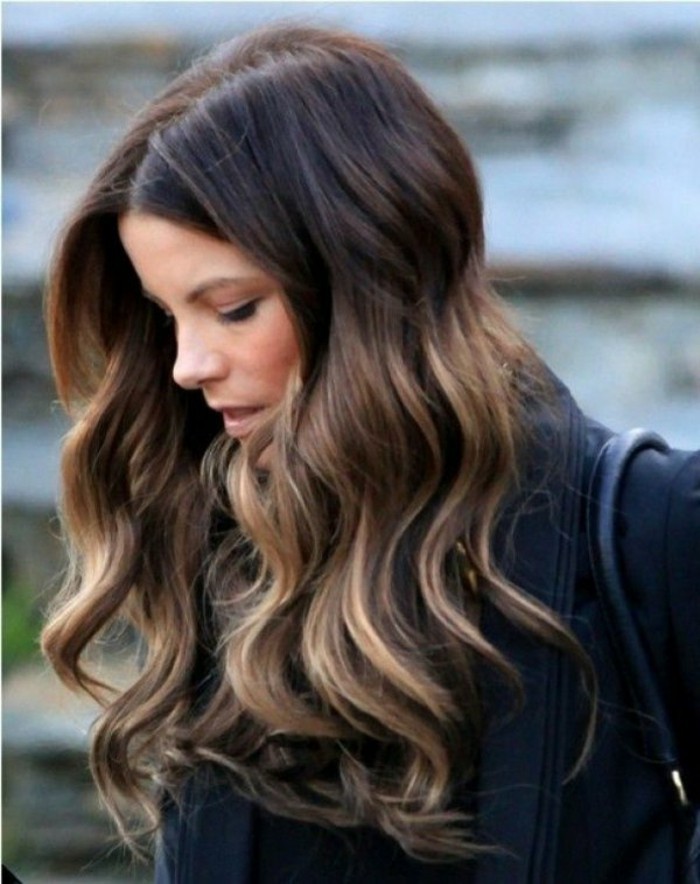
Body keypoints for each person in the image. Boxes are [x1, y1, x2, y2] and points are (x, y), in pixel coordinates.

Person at [41, 23, 699, 884]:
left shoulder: (650, 529)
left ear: (370, 283)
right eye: (169, 316)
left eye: (234, 308)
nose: (187, 365)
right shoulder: (206, 541)